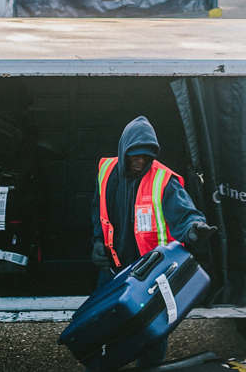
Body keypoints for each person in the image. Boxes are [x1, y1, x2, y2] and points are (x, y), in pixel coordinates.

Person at [90, 115, 216, 367]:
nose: (140, 161)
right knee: (103, 331)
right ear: (124, 151)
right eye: (135, 155)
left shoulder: (163, 181)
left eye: (146, 156)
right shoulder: (106, 172)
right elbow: (98, 210)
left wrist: (194, 230)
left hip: (150, 276)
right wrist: (97, 241)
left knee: (152, 333)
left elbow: (185, 215)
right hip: (114, 270)